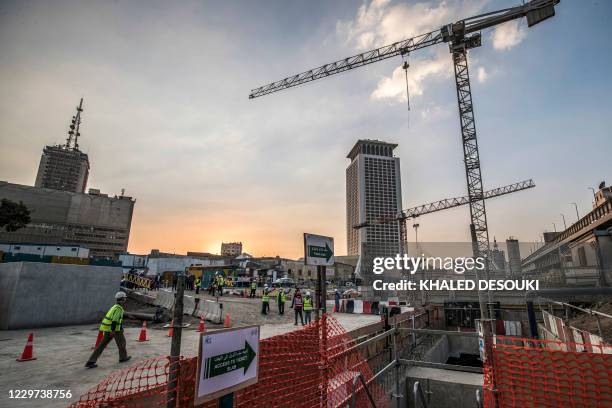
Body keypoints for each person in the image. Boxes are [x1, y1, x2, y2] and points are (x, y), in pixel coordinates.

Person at [85, 291, 131, 368]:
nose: (125, 300)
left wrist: (127, 316)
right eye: (124, 298)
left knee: (101, 345)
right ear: (122, 299)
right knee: (122, 343)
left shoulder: (114, 307)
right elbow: (114, 320)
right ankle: (123, 358)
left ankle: (91, 361)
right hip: (115, 330)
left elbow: (116, 317)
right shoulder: (119, 308)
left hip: (107, 329)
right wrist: (113, 331)